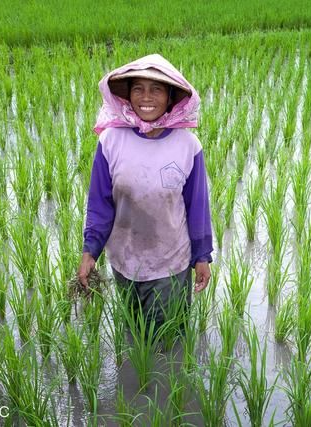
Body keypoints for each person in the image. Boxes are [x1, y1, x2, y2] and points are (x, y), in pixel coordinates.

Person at [77, 54, 213, 333]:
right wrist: (90, 250)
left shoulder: (188, 145)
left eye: (156, 89)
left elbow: (197, 206)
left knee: (168, 339)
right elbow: (100, 203)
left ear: (170, 97)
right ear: (128, 95)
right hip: (125, 261)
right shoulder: (110, 141)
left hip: (170, 263)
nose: (146, 97)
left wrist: (202, 256)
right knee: (134, 333)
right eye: (138, 88)